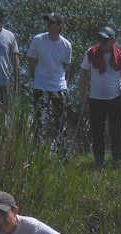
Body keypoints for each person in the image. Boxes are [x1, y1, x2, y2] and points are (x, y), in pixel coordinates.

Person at [80, 27, 121, 168]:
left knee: (116, 132)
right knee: (97, 132)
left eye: (105, 39)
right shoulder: (91, 53)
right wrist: (82, 97)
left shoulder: (120, 56)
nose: (101, 42)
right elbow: (84, 75)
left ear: (113, 40)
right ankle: (99, 161)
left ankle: (116, 160)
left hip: (114, 98)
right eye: (100, 39)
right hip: (96, 98)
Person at [27, 12, 72, 146]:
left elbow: (64, 65)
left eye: (52, 22)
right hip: (41, 85)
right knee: (40, 122)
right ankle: (38, 155)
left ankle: (63, 155)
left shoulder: (66, 45)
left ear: (60, 26)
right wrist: (36, 79)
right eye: (47, 22)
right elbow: (31, 62)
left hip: (59, 87)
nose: (49, 24)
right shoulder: (38, 40)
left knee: (61, 122)